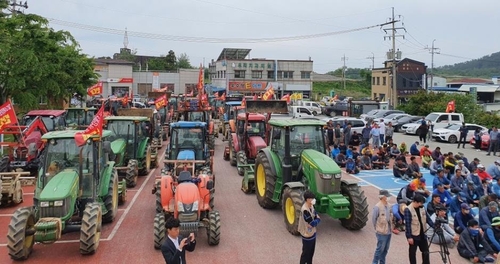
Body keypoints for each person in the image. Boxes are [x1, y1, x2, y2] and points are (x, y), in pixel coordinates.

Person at [404, 194, 434, 264]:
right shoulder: (408, 209)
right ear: (415, 202)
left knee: (426, 251)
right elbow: (407, 224)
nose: (421, 204)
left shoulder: (422, 207)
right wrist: (409, 237)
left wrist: (434, 226)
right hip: (414, 235)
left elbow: (428, 219)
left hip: (422, 234)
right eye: (420, 203)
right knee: (412, 253)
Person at [298, 190, 321, 264]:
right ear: (307, 199)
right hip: (307, 235)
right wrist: (318, 219)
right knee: (305, 254)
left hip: (312, 234)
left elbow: (315, 213)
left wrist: (316, 218)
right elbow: (312, 223)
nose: (313, 200)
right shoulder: (305, 210)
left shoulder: (311, 206)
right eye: (312, 198)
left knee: (311, 253)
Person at [371, 190, 392, 264]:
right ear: (383, 197)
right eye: (387, 196)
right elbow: (374, 219)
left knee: (386, 249)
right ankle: (375, 262)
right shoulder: (377, 207)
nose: (388, 197)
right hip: (381, 232)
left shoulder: (389, 206)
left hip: (388, 231)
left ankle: (382, 262)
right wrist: (377, 228)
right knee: (380, 249)